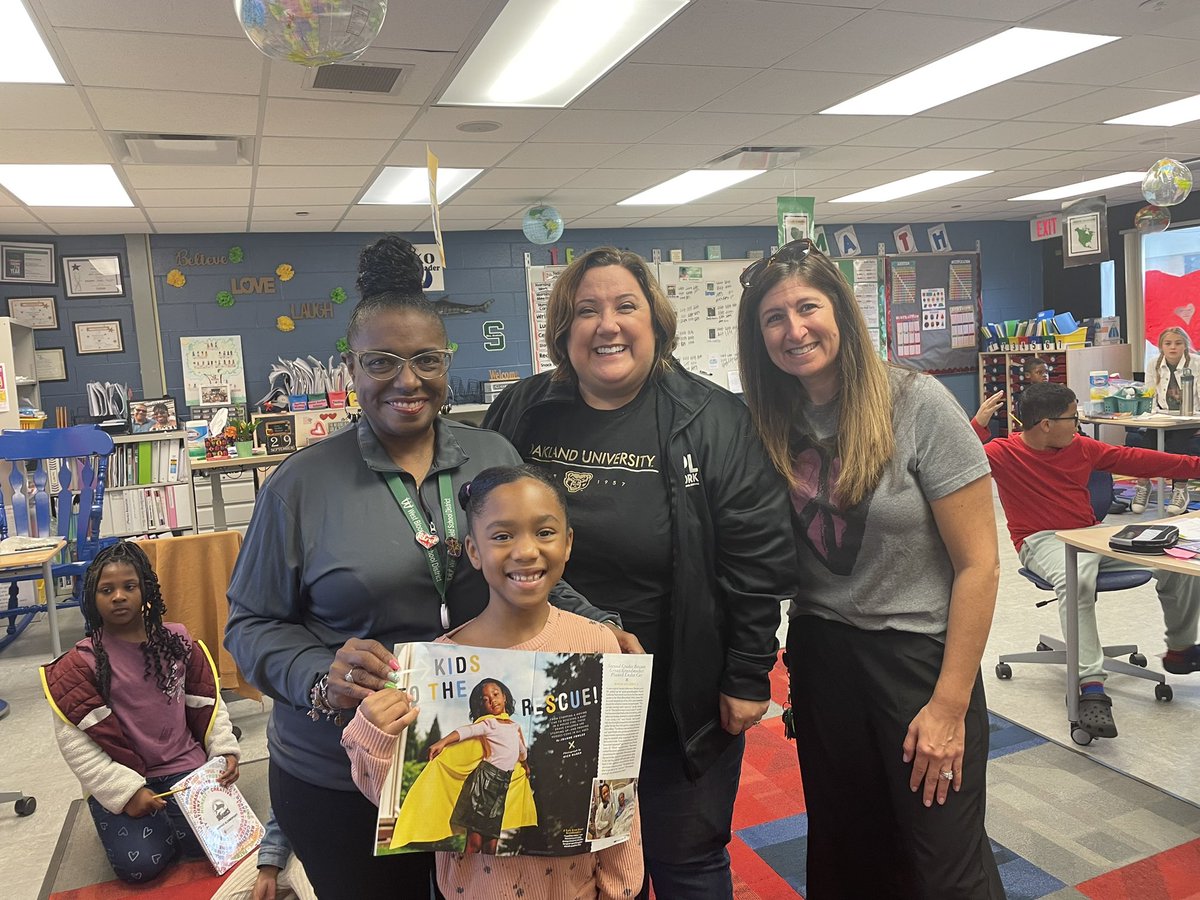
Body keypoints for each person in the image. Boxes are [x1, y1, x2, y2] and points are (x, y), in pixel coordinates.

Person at [225, 236, 625, 900]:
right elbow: (250, 624)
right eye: (380, 361)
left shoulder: (490, 452)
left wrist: (599, 625)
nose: (406, 380)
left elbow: (525, 566)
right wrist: (321, 676)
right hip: (342, 771)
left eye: (425, 360)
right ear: (348, 366)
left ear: (446, 362)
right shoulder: (301, 485)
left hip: (469, 760)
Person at [483, 247, 797, 898]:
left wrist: (746, 675)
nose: (608, 325)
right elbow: (481, 532)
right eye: (586, 311)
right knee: (573, 869)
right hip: (548, 698)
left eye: (626, 306)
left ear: (656, 321)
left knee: (687, 862)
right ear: (562, 332)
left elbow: (757, 559)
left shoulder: (714, 420)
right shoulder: (521, 413)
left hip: (675, 701)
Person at [736, 238, 1004, 898]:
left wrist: (949, 706)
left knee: (943, 864)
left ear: (842, 311)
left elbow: (981, 567)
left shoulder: (917, 403)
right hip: (824, 658)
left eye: (807, 307)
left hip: (918, 660)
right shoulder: (765, 421)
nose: (793, 329)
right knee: (848, 851)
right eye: (773, 317)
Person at [341, 464, 642, 898]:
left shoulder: (597, 642)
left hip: (576, 888)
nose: (525, 552)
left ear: (568, 543)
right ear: (474, 551)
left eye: (545, 532)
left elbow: (617, 779)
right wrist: (372, 731)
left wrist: (621, 887)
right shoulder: (434, 663)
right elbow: (387, 798)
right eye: (502, 536)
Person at [973, 381, 1200, 738]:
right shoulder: (1002, 452)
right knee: (1075, 578)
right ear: (1046, 423)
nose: (1078, 424)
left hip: (1090, 534)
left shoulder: (1080, 447)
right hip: (1041, 540)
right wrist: (979, 427)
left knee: (1179, 560)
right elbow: (955, 459)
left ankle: (1181, 650)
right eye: (1072, 417)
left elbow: (1139, 460)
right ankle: (1091, 686)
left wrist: (1196, 465)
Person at [40, 541, 240, 885]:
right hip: (127, 776)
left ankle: (173, 824)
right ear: (92, 597)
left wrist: (223, 750)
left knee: (228, 842)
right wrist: (125, 793)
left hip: (186, 768)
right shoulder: (81, 664)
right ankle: (135, 817)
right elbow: (76, 744)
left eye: (129, 586)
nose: (118, 596)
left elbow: (208, 702)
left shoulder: (177, 640)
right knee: (141, 866)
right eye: (107, 589)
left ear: (145, 589)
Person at [424, 677, 534, 855]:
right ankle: (464, 876)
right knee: (474, 843)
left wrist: (525, 766)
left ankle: (485, 877)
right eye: (485, 699)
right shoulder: (488, 723)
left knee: (491, 845)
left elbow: (522, 752)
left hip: (501, 786)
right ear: (482, 706)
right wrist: (442, 742)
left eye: (495, 694)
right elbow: (466, 731)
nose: (492, 700)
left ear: (505, 697)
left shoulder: (515, 727)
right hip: (484, 784)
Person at [1129, 327, 1200, 515]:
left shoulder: (1196, 363)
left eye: (1178, 343)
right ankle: (1143, 486)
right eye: (1168, 343)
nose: (1173, 347)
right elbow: (1149, 393)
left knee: (1178, 444)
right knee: (1146, 445)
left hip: (1191, 418)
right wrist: (1147, 416)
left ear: (1185, 345)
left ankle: (1180, 489)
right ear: (1161, 346)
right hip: (1163, 417)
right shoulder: (1153, 363)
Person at [973, 356, 1048, 430]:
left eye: (1046, 372)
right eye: (1039, 372)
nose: (1045, 375)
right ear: (1027, 375)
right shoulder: (1027, 395)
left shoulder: (1050, 392)